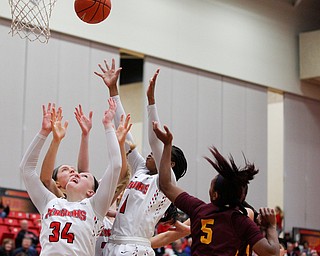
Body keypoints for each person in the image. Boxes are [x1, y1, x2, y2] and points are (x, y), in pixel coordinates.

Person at [95, 59, 187, 256]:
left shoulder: (167, 182)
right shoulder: (141, 169)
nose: (149, 153)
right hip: (114, 243)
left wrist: (151, 102)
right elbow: (124, 130)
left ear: (169, 162)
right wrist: (113, 90)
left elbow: (156, 142)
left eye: (155, 155)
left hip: (135, 247)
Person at [153, 122, 280, 256]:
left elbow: (165, 184)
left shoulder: (199, 209)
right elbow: (272, 253)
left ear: (214, 195)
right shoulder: (241, 220)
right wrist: (271, 227)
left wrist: (167, 146)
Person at [19, 99, 122, 255]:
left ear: (91, 192)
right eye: (75, 173)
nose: (77, 174)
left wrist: (108, 126)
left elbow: (116, 166)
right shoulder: (50, 202)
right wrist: (44, 132)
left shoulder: (94, 206)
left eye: (84, 176)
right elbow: (26, 169)